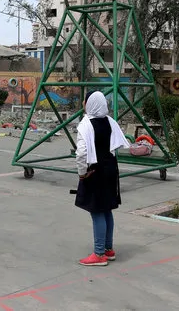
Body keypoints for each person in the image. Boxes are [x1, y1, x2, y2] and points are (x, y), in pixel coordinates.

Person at [74, 91, 130, 266]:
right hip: (110, 169)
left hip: (95, 170)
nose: (83, 102)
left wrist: (82, 173)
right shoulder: (110, 122)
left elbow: (82, 153)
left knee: (97, 210)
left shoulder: (85, 125)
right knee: (106, 209)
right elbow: (115, 145)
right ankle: (108, 249)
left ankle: (99, 254)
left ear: (89, 104)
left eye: (85, 100)